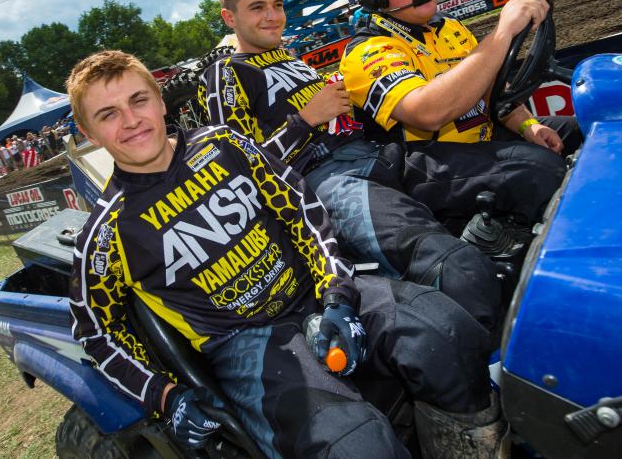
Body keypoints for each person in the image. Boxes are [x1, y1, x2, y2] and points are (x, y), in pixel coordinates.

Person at [68, 50, 507, 459]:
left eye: (138, 100)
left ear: (160, 101)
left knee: (447, 333)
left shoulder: (225, 145)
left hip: (317, 293)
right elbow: (94, 330)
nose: (131, 120)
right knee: (357, 447)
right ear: (89, 134)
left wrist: (337, 291)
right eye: (108, 114)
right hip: (248, 345)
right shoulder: (106, 234)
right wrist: (164, 396)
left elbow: (301, 208)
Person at [201, 0, 501, 344]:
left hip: (379, 155)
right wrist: (307, 119)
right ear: (230, 18)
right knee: (455, 264)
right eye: (257, 7)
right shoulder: (225, 72)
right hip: (327, 180)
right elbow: (237, 173)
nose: (273, 15)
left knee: (514, 175)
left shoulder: (289, 57)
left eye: (277, 4)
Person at [339, 0, 581, 235]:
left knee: (586, 128)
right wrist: (502, 32)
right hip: (426, 165)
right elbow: (427, 112)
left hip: (482, 141)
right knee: (539, 169)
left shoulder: (450, 27)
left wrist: (527, 125)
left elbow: (495, 89)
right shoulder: (368, 49)